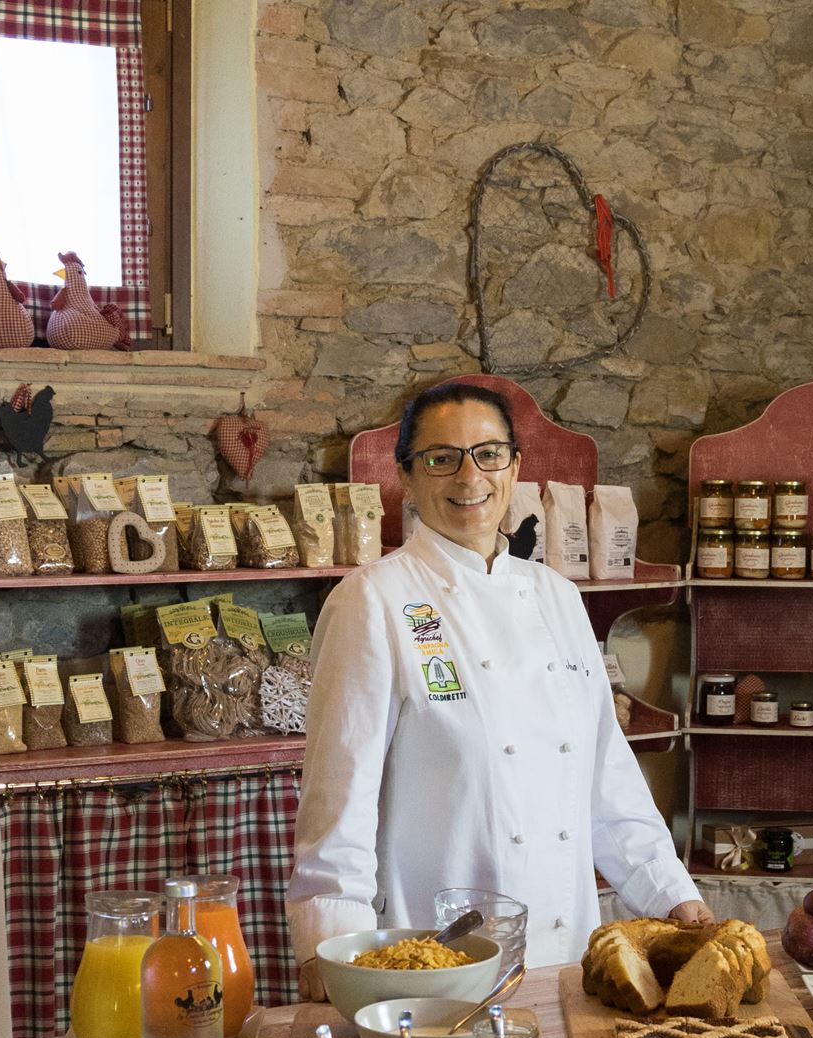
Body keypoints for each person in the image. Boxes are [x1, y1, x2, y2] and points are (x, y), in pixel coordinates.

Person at [287, 381, 710, 998]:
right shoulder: (373, 599)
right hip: (433, 963)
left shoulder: (558, 598)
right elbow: (339, 799)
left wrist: (675, 899)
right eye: (441, 457)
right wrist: (331, 952)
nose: (469, 476)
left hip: (567, 958)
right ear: (407, 475)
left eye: (488, 454)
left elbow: (607, 782)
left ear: (514, 468)